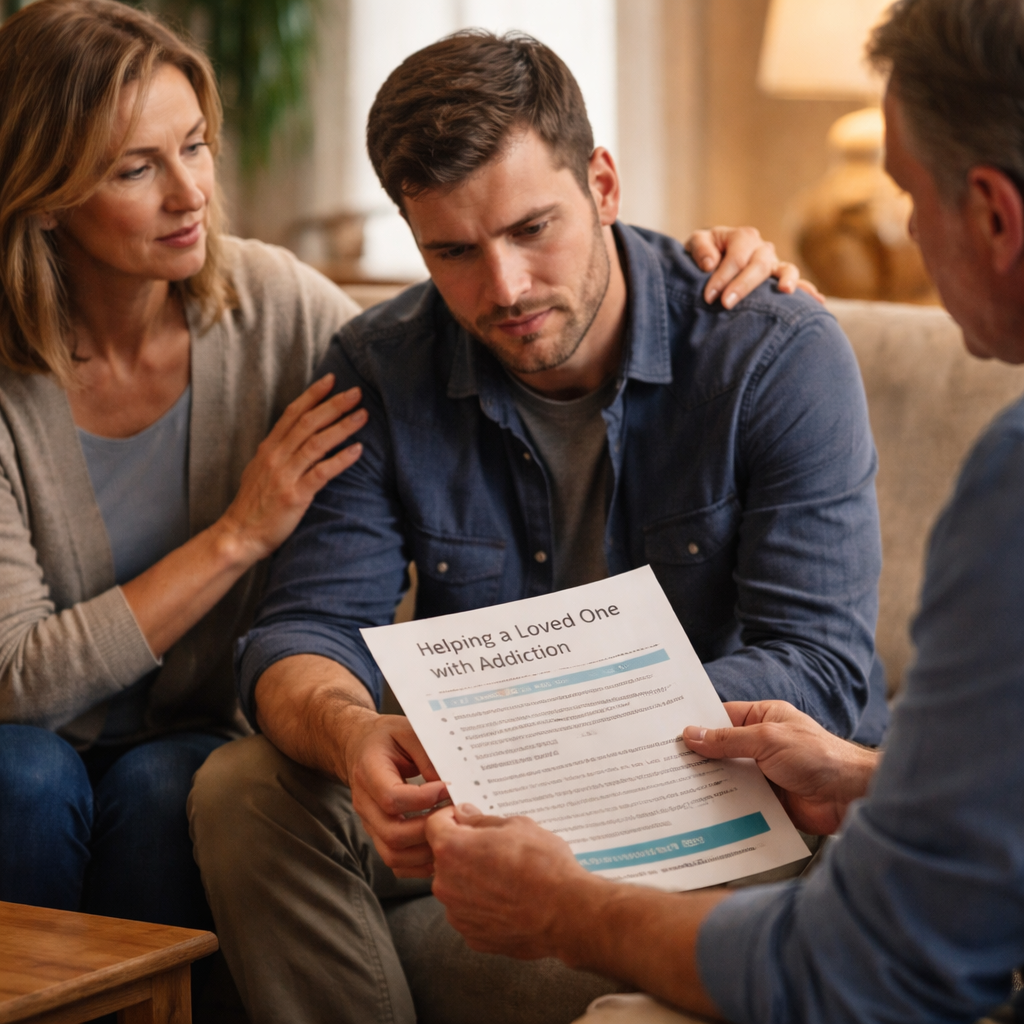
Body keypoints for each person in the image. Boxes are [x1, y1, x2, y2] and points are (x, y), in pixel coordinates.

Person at [189, 28, 888, 1024]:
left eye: (531, 228)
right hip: (478, 780)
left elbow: (824, 668)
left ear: (602, 182)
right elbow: (301, 632)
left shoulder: (767, 348)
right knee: (242, 786)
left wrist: (563, 735)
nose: (504, 287)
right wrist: (352, 736)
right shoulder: (380, 367)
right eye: (453, 252)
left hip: (707, 784)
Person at [425, 1, 1024, 1021]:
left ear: (994, 216)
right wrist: (873, 781)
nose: (906, 233)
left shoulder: (1006, 481)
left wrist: (570, 909)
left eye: (904, 197)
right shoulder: (384, 362)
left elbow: (858, 970)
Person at [0, 0, 369, 936]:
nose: (190, 191)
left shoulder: (275, 304)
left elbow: (465, 347)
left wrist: (686, 277)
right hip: (25, 742)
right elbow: (15, 680)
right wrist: (239, 535)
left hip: (197, 734)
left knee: (180, 782)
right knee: (24, 778)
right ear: (43, 194)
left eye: (195, 147)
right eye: (136, 168)